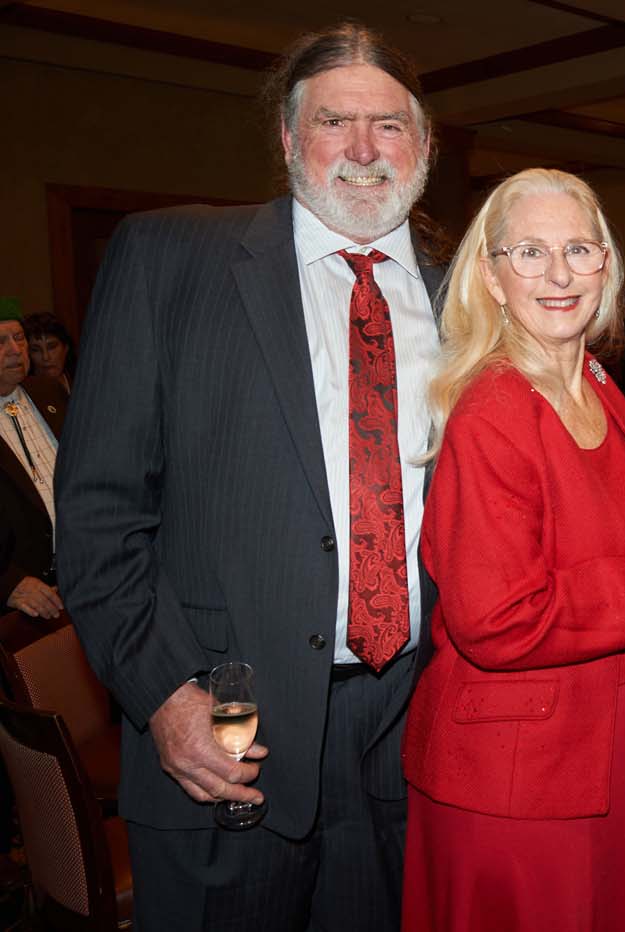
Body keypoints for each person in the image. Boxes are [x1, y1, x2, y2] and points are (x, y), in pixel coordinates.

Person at [55, 23, 442, 929]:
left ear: (422, 145)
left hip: (410, 742)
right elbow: (98, 515)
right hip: (227, 734)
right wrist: (162, 695)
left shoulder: (466, 287)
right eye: (332, 122)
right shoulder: (171, 259)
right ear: (285, 139)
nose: (360, 150)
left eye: (387, 126)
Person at [399, 168, 625, 932]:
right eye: (529, 252)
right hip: (521, 777)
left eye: (579, 249)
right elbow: (498, 621)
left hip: (611, 748)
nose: (559, 274)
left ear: (607, 266)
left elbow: (599, 507)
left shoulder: (593, 379)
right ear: (491, 278)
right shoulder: (493, 408)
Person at [1, 307, 64, 620]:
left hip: (81, 578)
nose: (16, 349)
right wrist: (7, 584)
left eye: (19, 337)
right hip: (23, 603)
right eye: (1, 342)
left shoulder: (48, 391)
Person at [20, 311, 76, 394]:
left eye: (52, 347)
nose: (46, 357)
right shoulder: (22, 392)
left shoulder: (82, 381)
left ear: (65, 348)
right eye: (36, 350)